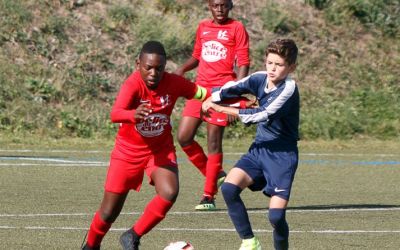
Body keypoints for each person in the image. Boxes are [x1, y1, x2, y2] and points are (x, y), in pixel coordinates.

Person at [81, 41, 210, 250]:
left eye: (159, 68)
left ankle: (132, 236)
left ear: (165, 67)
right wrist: (133, 114)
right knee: (109, 212)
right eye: (148, 67)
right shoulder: (132, 84)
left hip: (160, 150)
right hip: (127, 153)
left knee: (169, 192)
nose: (153, 73)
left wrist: (223, 101)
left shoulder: (174, 83)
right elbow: (115, 113)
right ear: (138, 64)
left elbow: (202, 93)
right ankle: (90, 246)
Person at [202, 38, 299, 250]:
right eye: (270, 63)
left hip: (282, 157)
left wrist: (222, 109)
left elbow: (261, 114)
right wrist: (212, 97)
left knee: (275, 217)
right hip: (259, 149)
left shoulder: (289, 89)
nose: (272, 69)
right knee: (228, 189)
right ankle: (249, 241)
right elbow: (234, 87)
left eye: (279, 65)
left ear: (291, 67)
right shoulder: (259, 78)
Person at [174, 0, 250, 211]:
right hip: (198, 91)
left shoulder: (237, 28)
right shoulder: (203, 27)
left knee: (213, 141)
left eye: (223, 5)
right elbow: (197, 56)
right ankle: (215, 174)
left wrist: (235, 94)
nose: (219, 9)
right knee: (184, 136)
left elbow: (243, 62)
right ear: (209, 5)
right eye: (215, 5)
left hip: (222, 92)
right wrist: (181, 69)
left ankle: (208, 196)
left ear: (230, 6)